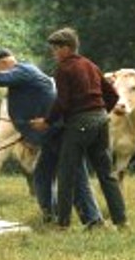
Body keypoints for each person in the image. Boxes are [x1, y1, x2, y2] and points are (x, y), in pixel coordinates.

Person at [0, 49, 102, 227]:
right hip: (51, 136)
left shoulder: (24, 71)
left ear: (4, 64)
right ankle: (52, 217)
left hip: (63, 133)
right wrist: (27, 134)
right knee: (42, 176)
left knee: (75, 176)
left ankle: (93, 221)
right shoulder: (21, 80)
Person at [29, 27, 127, 229]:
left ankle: (62, 224)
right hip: (101, 123)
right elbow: (113, 96)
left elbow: (62, 103)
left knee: (66, 174)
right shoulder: (91, 65)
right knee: (107, 174)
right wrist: (100, 112)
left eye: (56, 48)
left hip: (80, 125)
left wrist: (46, 122)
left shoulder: (65, 68)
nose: (53, 53)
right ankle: (121, 221)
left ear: (67, 48)